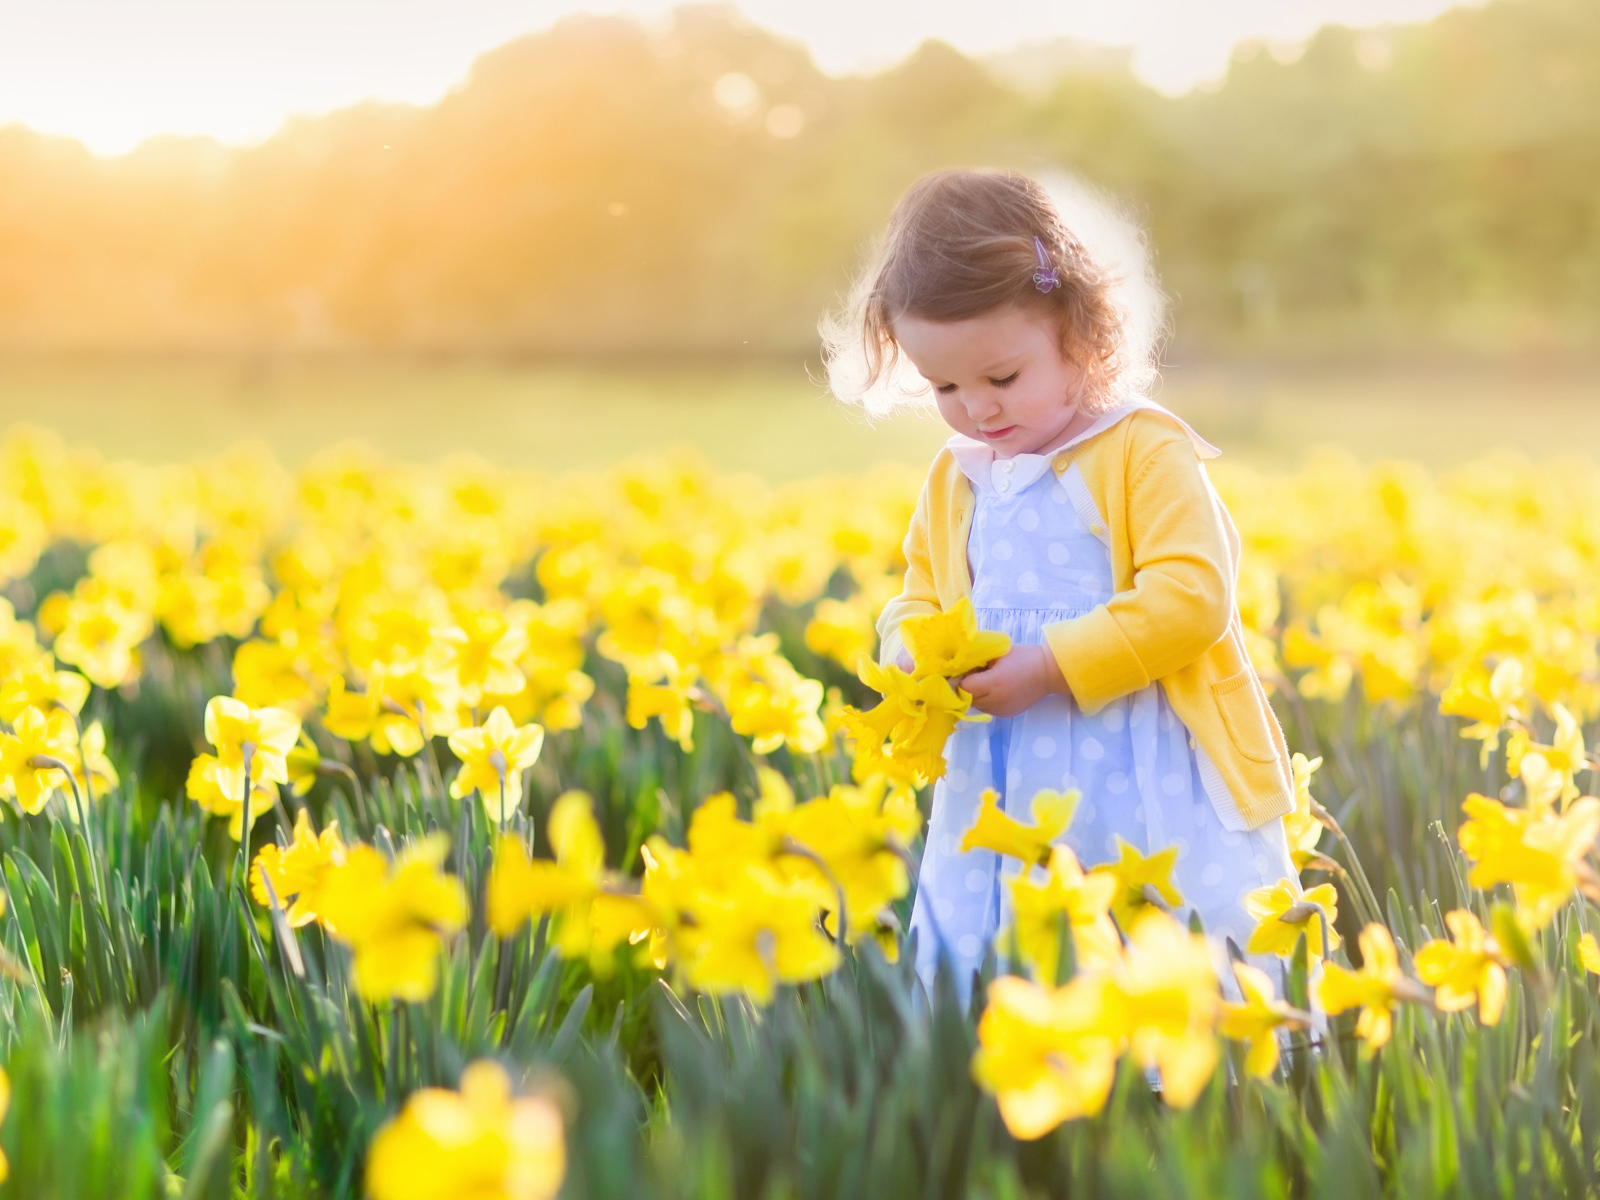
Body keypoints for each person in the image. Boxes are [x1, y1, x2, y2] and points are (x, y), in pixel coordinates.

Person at [823, 167, 1305, 999]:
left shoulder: (1143, 449)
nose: (977, 408)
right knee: (1009, 948)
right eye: (944, 386)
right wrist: (911, 651)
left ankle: (1188, 1099)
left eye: (1002, 379)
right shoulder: (959, 474)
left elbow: (1191, 600)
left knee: (1155, 942)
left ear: (1082, 336)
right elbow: (918, 594)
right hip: (999, 769)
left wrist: (1050, 667)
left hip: (1146, 756)